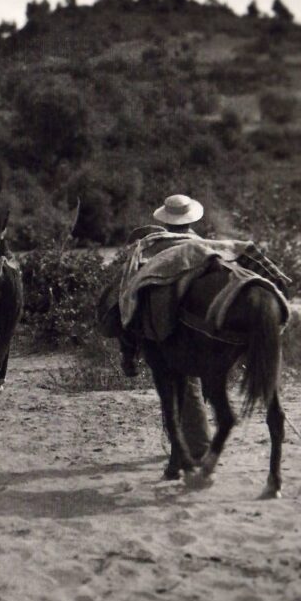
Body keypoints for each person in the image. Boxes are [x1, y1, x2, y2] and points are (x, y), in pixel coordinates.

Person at [122, 194, 212, 460]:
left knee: (176, 383)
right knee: (193, 381)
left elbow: (130, 287)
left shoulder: (151, 247)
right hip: (203, 325)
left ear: (166, 220)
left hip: (162, 328)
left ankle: (129, 351)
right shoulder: (202, 245)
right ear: (191, 219)